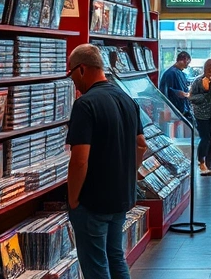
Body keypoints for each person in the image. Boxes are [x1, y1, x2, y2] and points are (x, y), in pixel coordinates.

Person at [65, 44, 147, 279]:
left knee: (95, 265)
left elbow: (80, 160)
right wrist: (127, 175)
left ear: (81, 69)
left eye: (72, 75)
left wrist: (73, 200)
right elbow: (141, 144)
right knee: (115, 256)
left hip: (93, 200)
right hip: (121, 197)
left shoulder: (85, 104)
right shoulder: (127, 99)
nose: (74, 82)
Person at [189, 58, 211, 176]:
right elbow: (191, 97)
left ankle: (209, 163)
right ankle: (201, 162)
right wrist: (204, 96)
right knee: (205, 138)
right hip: (202, 114)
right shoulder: (198, 81)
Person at [160, 51, 192, 120]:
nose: (187, 65)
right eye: (188, 62)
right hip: (174, 111)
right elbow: (165, 92)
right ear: (185, 59)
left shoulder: (180, 73)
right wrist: (177, 93)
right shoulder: (170, 73)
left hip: (181, 109)